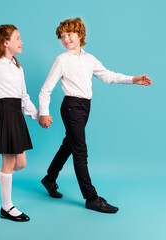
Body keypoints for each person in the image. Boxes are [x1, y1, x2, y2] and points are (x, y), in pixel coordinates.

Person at [38, 17, 152, 214]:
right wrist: (44, 113)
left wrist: (133, 79)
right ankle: (91, 198)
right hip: (71, 106)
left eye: (70, 34)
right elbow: (45, 90)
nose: (66, 39)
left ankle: (49, 178)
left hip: (85, 106)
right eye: (62, 36)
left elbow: (108, 76)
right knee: (80, 151)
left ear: (80, 35)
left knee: (70, 145)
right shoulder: (61, 60)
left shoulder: (90, 59)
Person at [0, 24, 47, 222]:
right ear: (6, 43)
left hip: (16, 114)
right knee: (8, 162)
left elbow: (23, 97)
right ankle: (6, 207)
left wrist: (38, 115)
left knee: (20, 163)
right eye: (18, 38)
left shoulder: (18, 67)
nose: (22, 42)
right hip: (4, 115)